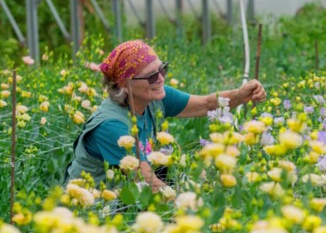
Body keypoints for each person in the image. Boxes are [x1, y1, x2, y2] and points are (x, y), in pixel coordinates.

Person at [64, 40, 266, 191]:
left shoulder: (155, 98)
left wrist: (241, 95)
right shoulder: (111, 125)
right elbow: (147, 181)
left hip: (125, 195)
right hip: (91, 209)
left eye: (162, 69)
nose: (160, 79)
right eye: (152, 75)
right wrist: (192, 201)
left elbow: (206, 104)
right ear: (125, 84)